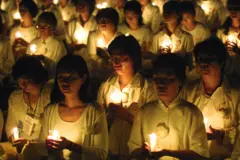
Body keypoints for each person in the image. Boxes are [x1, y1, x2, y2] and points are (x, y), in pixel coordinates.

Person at [128, 54, 209, 160]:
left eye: (168, 79)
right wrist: (143, 152)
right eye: (157, 79)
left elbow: (201, 155)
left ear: (180, 81)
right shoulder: (144, 112)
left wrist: (168, 153)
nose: (161, 84)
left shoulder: (192, 113)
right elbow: (133, 148)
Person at [97, 35, 157, 159]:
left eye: (123, 58)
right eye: (114, 58)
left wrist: (126, 115)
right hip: (110, 151)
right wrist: (109, 117)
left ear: (134, 59)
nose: (117, 63)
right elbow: (97, 125)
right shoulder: (106, 87)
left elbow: (151, 127)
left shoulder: (147, 89)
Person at [38, 54, 108, 160]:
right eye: (61, 77)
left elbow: (101, 154)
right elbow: (41, 147)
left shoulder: (94, 112)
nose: (65, 83)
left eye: (71, 78)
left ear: (83, 78)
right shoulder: (50, 111)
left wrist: (70, 146)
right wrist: (47, 146)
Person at [181, 37, 240, 159]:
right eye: (200, 60)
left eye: (209, 60)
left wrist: (223, 135)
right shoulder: (188, 93)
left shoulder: (235, 96)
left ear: (222, 62)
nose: (204, 64)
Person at [2, 56, 50, 159]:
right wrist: (14, 139)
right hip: (20, 148)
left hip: (42, 150)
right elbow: (10, 126)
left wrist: (30, 143)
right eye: (19, 82)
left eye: (27, 81)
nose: (23, 85)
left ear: (37, 77)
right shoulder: (16, 98)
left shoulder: (50, 97)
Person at [151, 0, 194, 69]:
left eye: (169, 12)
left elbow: (189, 62)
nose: (166, 14)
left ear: (177, 15)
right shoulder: (157, 37)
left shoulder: (186, 38)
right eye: (165, 12)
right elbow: (153, 60)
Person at [26, 12, 67, 79]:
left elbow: (60, 68)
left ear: (52, 27)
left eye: (45, 26)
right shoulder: (33, 42)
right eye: (39, 26)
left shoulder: (58, 45)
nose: (41, 29)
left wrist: (44, 60)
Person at [87, 8, 121, 80]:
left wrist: (106, 58)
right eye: (100, 21)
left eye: (106, 21)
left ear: (114, 22)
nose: (102, 23)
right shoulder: (93, 36)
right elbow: (91, 57)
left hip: (114, 77)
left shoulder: (120, 39)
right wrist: (103, 60)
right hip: (96, 75)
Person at [216, 0, 240, 77]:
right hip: (226, 71)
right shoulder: (221, 31)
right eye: (230, 9)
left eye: (236, 9)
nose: (233, 12)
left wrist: (239, 51)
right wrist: (223, 49)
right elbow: (215, 52)